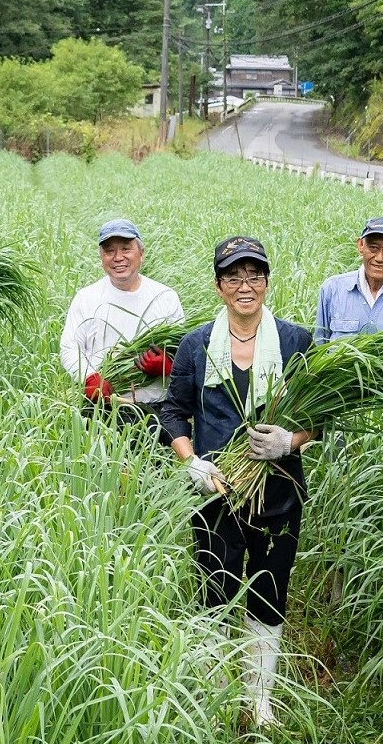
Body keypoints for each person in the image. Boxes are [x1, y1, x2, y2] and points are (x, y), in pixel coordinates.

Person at [161, 237, 317, 727]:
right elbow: (173, 412)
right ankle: (213, 695)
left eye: (254, 275)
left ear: (267, 283)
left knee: (270, 589)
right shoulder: (197, 345)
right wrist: (191, 461)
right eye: (233, 277)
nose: (244, 286)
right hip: (217, 492)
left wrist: (290, 441)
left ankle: (259, 699)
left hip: (278, 493)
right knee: (215, 589)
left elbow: (322, 416)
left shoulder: (295, 341)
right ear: (219, 286)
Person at [59, 218, 186, 445]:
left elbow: (185, 355)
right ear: (102, 258)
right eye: (110, 251)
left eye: (126, 249)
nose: (118, 257)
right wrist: (89, 376)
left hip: (157, 409)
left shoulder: (164, 297)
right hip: (103, 409)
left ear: (141, 254)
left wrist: (168, 366)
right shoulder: (87, 298)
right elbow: (69, 347)